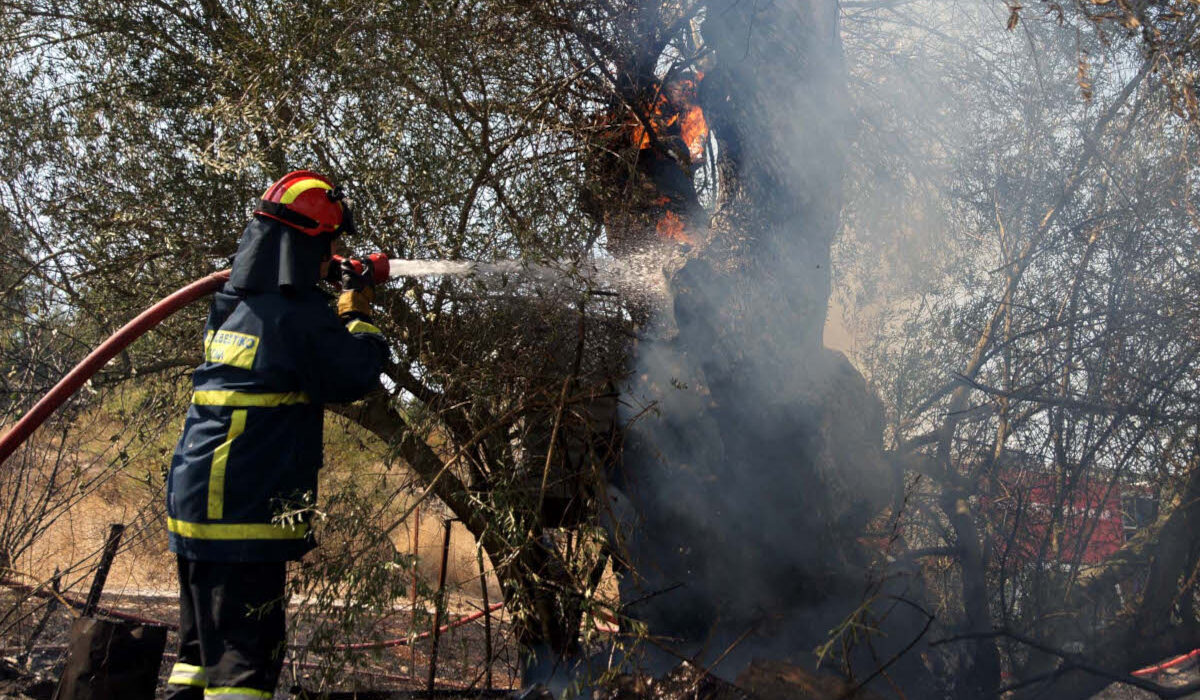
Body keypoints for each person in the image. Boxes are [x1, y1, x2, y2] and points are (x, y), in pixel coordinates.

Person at [163, 171, 387, 700]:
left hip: (197, 506)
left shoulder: (232, 304)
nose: (335, 250)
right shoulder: (297, 316)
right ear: (308, 241)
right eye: (330, 241)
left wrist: (329, 277)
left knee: (198, 661)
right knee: (243, 669)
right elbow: (354, 375)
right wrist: (357, 311)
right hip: (243, 513)